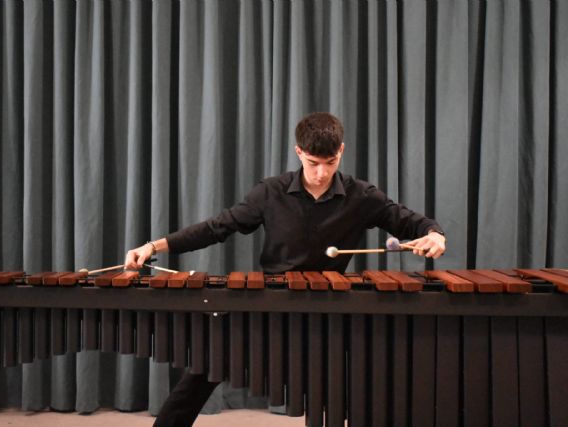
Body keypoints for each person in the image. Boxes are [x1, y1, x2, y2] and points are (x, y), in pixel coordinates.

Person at [124, 112, 446, 427]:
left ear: (341, 151)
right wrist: (153, 247)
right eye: (313, 163)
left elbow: (410, 221)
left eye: (330, 163)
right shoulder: (271, 193)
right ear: (299, 152)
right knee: (205, 368)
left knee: (372, 374)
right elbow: (216, 227)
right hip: (271, 305)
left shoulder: (361, 196)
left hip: (330, 311)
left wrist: (433, 235)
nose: (321, 173)